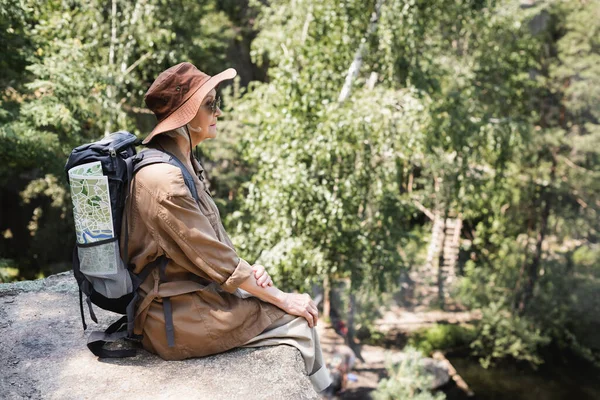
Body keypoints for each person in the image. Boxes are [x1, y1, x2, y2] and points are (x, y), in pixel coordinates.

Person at [121, 62, 331, 392]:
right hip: (177, 320)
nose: (218, 111)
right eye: (210, 104)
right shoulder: (164, 179)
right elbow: (214, 259)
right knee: (298, 321)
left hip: (196, 298)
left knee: (289, 310)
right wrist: (280, 297)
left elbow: (212, 247)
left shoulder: (182, 162)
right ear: (186, 116)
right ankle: (321, 392)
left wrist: (250, 274)